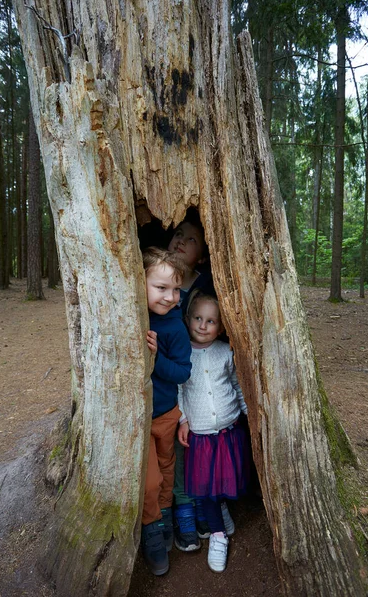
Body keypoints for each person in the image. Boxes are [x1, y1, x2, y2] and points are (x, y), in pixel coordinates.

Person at [178, 292, 250, 573]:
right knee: (206, 488)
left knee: (223, 477)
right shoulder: (182, 353)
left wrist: (248, 412)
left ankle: (221, 510)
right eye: (198, 318)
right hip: (200, 434)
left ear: (220, 327)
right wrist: (183, 420)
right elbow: (178, 390)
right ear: (188, 319)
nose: (203, 325)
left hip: (229, 430)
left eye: (210, 321)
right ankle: (218, 536)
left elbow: (237, 383)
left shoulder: (225, 352)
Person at [141, 247, 192, 576]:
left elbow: (182, 373)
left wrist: (156, 358)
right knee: (149, 481)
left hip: (166, 415)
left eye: (176, 289)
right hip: (137, 420)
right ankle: (151, 532)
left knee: (167, 471)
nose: (171, 297)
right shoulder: (134, 315)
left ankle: (166, 518)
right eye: (161, 288)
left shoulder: (175, 328)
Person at [167, 217, 216, 551]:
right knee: (171, 448)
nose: (182, 241)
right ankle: (178, 510)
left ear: (201, 256)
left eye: (192, 239)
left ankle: (202, 504)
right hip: (165, 381)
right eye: (178, 234)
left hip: (201, 381)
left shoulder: (207, 287)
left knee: (197, 446)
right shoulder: (156, 280)